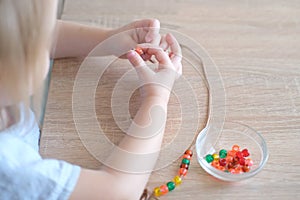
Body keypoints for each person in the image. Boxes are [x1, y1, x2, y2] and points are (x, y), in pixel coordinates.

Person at [0, 0, 182, 199]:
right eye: (40, 45)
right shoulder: (9, 168)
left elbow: (29, 31)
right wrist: (156, 97)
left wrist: (106, 39)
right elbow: (118, 192)